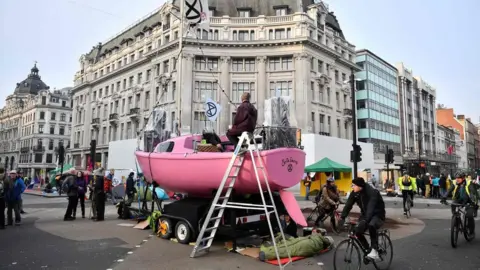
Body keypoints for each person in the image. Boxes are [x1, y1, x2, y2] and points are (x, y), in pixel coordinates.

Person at [338, 177, 386, 261]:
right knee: (357, 231)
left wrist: (366, 220)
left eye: (353, 185)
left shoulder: (371, 192)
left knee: (371, 225)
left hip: (378, 214)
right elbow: (348, 205)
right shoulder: (355, 193)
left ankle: (374, 250)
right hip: (365, 214)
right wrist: (342, 217)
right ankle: (368, 250)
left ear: (359, 186)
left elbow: (371, 207)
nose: (352, 187)